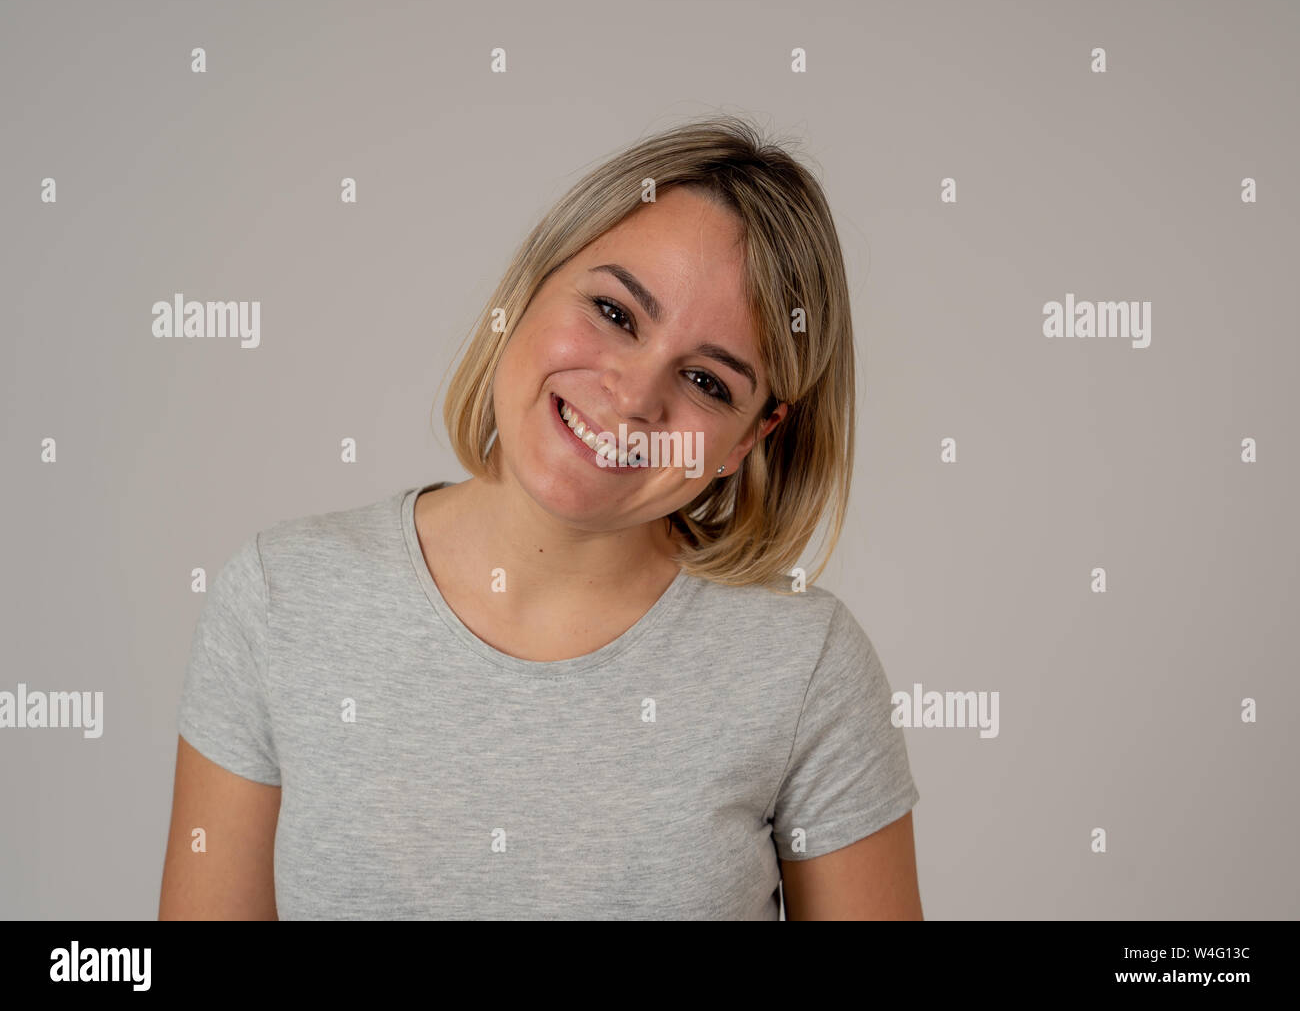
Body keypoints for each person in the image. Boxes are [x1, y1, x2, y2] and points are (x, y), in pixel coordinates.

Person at [158, 114, 923, 920]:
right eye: (616, 313)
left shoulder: (805, 670)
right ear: (529, 287)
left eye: (707, 383)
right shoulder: (283, 598)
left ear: (749, 438)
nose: (632, 398)